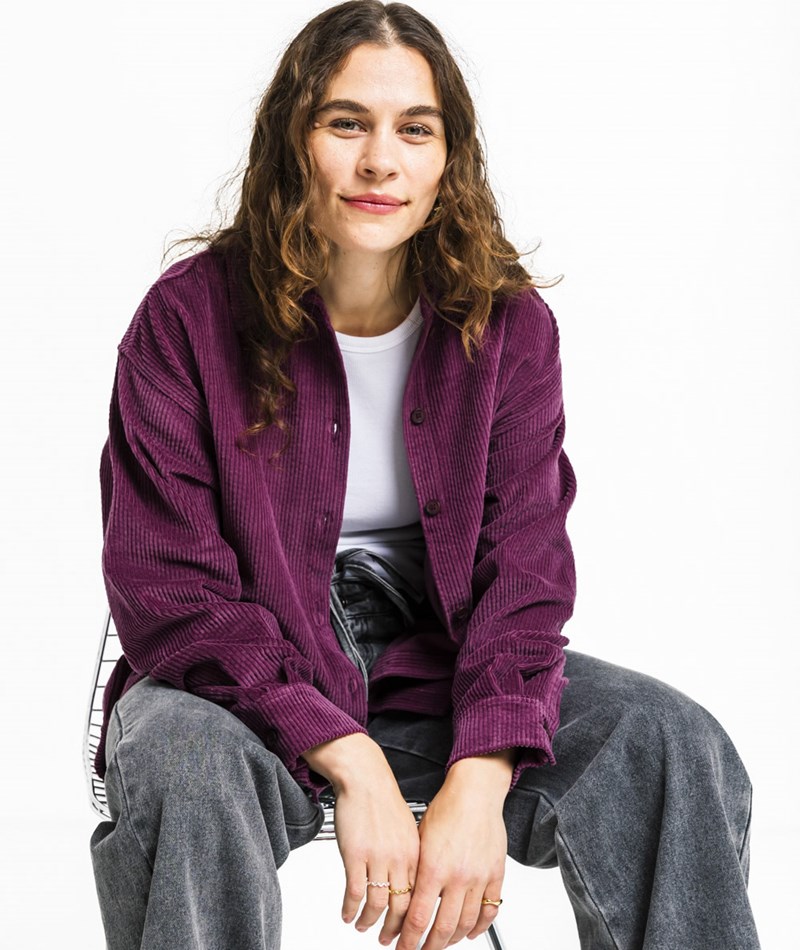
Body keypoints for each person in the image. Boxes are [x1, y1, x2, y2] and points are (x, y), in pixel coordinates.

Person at [89, 2, 761, 948]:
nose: (381, 161)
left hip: (438, 666)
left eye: (415, 129)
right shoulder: (186, 320)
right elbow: (171, 589)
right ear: (293, 139)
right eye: (346, 123)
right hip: (240, 675)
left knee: (668, 745)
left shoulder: (509, 328)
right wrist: (351, 758)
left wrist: (482, 776)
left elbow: (525, 575)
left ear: (450, 158)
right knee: (183, 764)